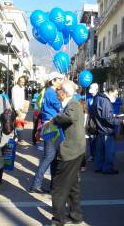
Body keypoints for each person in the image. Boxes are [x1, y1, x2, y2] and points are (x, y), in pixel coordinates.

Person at [51, 80, 86, 226]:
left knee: (59, 186)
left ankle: (58, 219)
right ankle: (76, 215)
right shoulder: (71, 104)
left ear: (64, 92)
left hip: (71, 151)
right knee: (72, 185)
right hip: (76, 149)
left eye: (58, 89)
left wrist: (54, 119)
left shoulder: (72, 104)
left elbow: (69, 117)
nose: (56, 91)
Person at [29, 72, 64, 194]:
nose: (61, 81)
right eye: (59, 79)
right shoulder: (51, 93)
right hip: (51, 126)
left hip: (50, 126)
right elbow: (59, 107)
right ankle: (36, 184)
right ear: (53, 81)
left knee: (53, 157)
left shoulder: (49, 92)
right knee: (49, 157)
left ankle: (52, 185)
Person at [92, 85, 122, 174]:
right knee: (109, 151)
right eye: (116, 94)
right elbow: (108, 117)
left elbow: (101, 114)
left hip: (100, 128)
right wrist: (120, 121)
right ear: (110, 92)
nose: (117, 96)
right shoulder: (105, 100)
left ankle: (99, 167)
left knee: (100, 151)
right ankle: (107, 168)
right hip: (106, 130)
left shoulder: (98, 98)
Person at [11, 76, 27, 142]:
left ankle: (17, 137)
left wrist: (23, 108)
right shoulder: (15, 88)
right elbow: (14, 100)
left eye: (23, 82)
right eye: (21, 82)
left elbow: (22, 99)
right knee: (17, 124)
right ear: (18, 81)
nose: (22, 83)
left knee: (19, 124)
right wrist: (17, 110)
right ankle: (15, 138)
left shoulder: (22, 88)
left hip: (21, 109)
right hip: (16, 109)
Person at [86, 83, 99, 162]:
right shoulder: (88, 98)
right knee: (91, 139)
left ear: (97, 90)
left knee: (97, 140)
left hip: (98, 121)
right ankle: (92, 155)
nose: (91, 93)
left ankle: (97, 155)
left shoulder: (100, 98)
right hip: (91, 121)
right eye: (90, 92)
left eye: (93, 92)